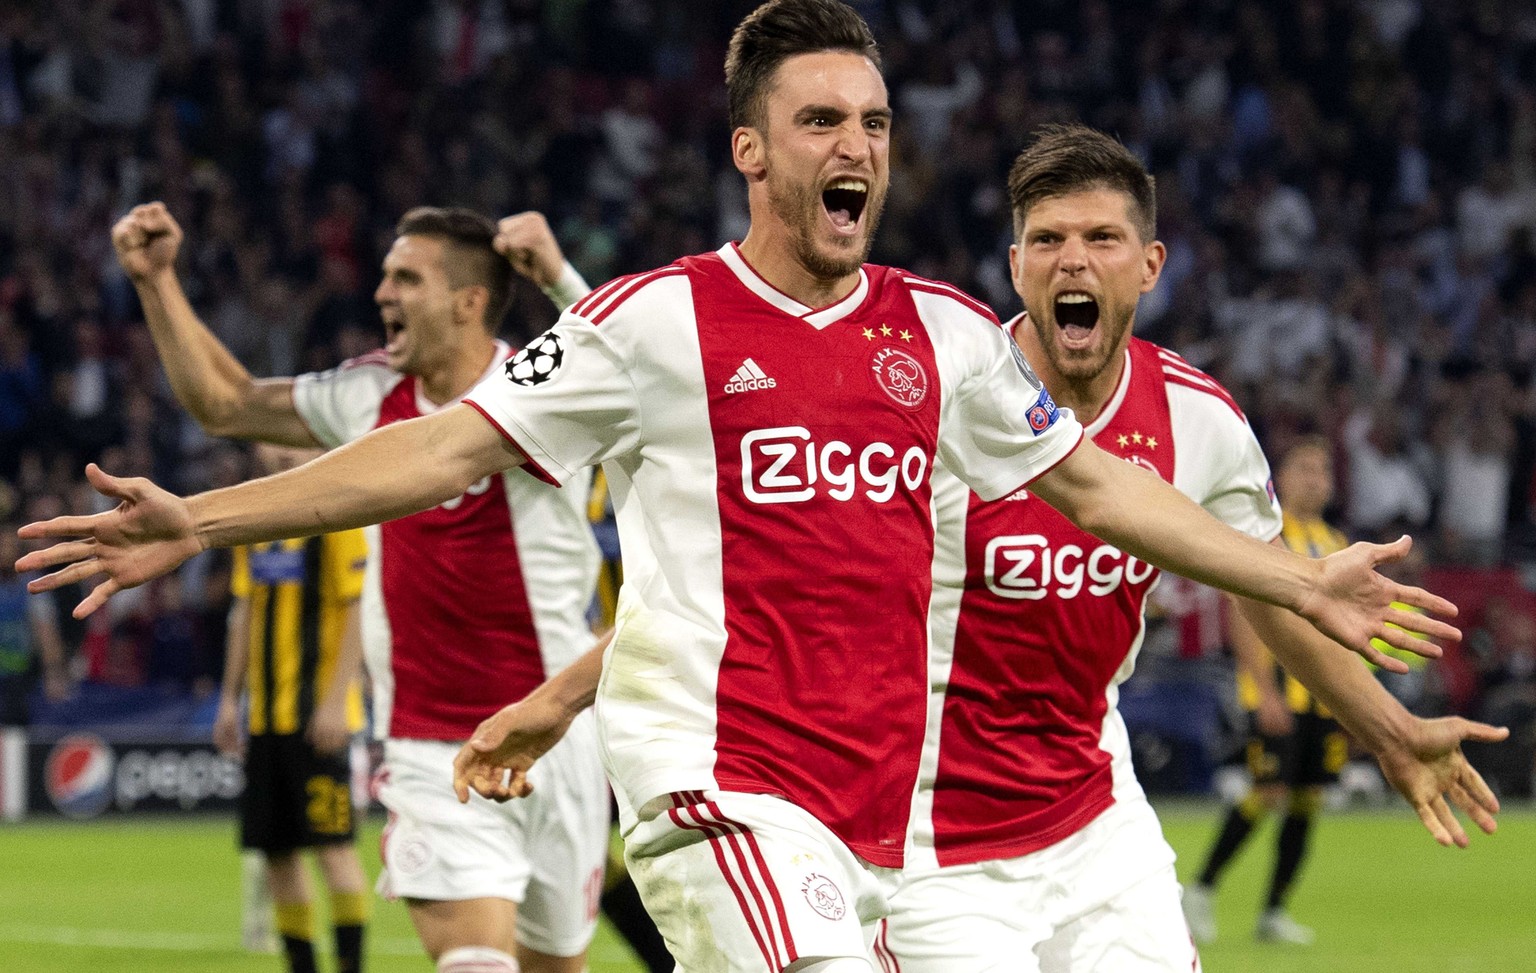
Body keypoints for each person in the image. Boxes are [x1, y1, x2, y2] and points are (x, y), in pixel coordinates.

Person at [20, 3, 1484, 970]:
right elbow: (441, 446)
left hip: (876, 827)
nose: (858, 147)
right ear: (751, 152)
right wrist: (198, 518)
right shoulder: (651, 321)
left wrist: (1299, 575)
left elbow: (1103, 493)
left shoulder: (949, 338)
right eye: (821, 123)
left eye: (876, 124)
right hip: (716, 789)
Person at [452, 125, 1508, 973]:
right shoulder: (931, 400)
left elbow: (1276, 594)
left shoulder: (1203, 424)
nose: (1072, 260)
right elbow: (752, 582)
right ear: (1016, 264)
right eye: (1047, 240)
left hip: (1096, 820)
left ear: (1149, 266)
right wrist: (558, 701)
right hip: (922, 845)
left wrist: (1384, 724)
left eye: (1099, 238)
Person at [100, 202, 608, 973]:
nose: (382, 293)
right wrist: (158, 282)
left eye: (407, 278)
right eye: (384, 275)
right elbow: (228, 403)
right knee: (475, 958)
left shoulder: (542, 384)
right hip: (430, 743)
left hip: (556, 735)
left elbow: (645, 373)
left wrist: (561, 276)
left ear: (470, 301)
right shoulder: (366, 395)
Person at [1183, 436, 1350, 946]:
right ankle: (1201, 889)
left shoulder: (1337, 545)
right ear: (1281, 474)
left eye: (1322, 468)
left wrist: (1350, 702)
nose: (1315, 477)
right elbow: (1245, 612)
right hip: (1277, 692)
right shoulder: (1267, 533)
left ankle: (1274, 912)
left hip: (1323, 698)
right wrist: (1264, 691)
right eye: (1304, 467)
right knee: (1268, 792)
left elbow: (1343, 630)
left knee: (1307, 800)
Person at [212, 443, 372, 973]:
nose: (279, 453)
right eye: (270, 442)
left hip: (318, 720)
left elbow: (356, 610)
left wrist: (334, 701)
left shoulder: (338, 516)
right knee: (277, 853)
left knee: (333, 849)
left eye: (291, 442)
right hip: (265, 718)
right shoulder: (254, 519)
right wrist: (229, 701)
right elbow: (245, 610)